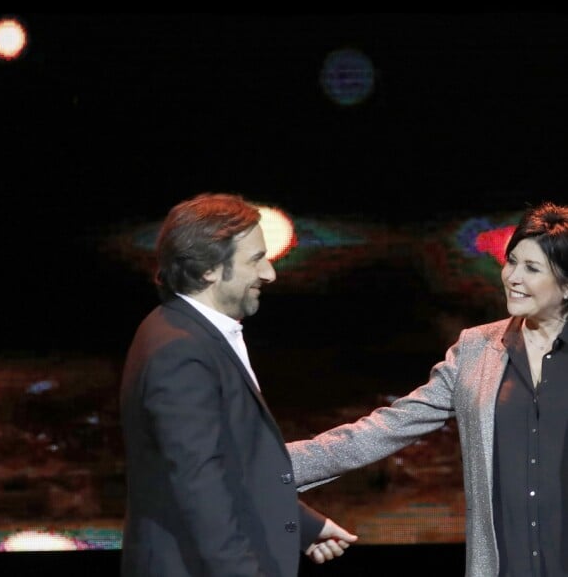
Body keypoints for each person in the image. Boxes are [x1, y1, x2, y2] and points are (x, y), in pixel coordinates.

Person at [288, 201, 568, 577]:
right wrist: (269, 469)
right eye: (511, 261)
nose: (512, 277)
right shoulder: (476, 348)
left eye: (531, 268)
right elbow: (382, 429)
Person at [119, 192, 357, 577]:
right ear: (209, 268)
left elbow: (230, 465)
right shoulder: (180, 351)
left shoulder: (186, 333)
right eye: (255, 260)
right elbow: (200, 488)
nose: (269, 274)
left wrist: (302, 525)